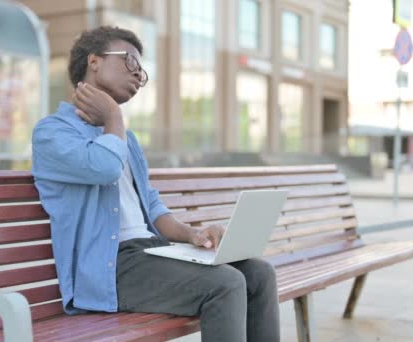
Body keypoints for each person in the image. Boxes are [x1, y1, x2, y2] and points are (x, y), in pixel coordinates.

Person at [32, 26, 280, 342]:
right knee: (226, 283)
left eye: (142, 72)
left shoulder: (126, 140)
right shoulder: (52, 133)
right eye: (130, 62)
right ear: (94, 62)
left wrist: (192, 235)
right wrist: (113, 116)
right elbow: (105, 168)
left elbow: (149, 204)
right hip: (110, 268)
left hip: (151, 253)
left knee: (258, 274)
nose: (138, 76)